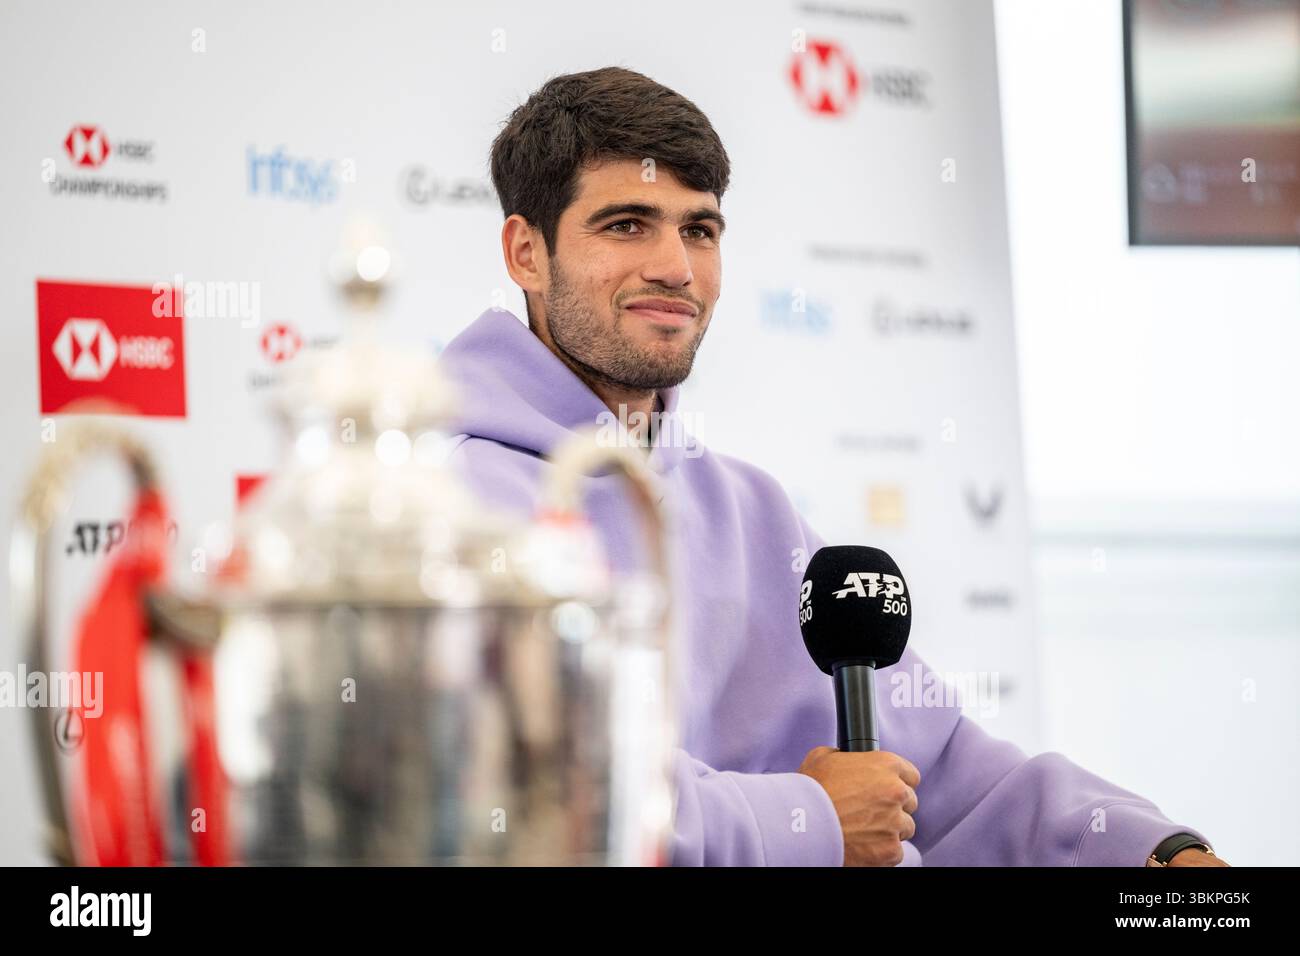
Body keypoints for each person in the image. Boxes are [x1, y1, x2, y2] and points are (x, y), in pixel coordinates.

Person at [436, 66, 1226, 867]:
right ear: (527, 253)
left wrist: (1158, 856)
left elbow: (951, 778)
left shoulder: (752, 509)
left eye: (700, 230)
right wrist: (810, 818)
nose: (676, 267)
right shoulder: (448, 507)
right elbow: (535, 794)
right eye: (628, 224)